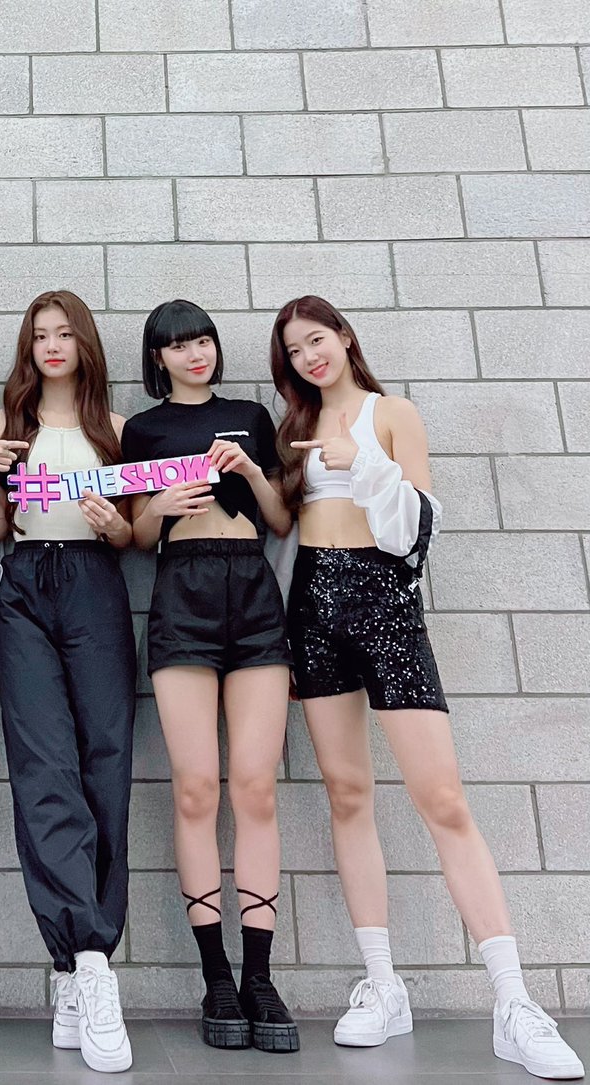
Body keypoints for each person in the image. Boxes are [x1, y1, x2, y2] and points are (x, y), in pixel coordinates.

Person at [273, 294, 584, 1081]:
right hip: (314, 607)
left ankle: (514, 1000)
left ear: (345, 337)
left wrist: (360, 460)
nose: (310, 357)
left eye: (318, 339)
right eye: (296, 350)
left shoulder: (392, 413)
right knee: (348, 793)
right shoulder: (294, 427)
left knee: (442, 798)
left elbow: (417, 526)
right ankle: (383, 985)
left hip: (384, 601)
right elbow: (287, 529)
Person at [122, 299, 298, 1054]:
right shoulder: (143, 430)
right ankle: (216, 975)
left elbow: (281, 521)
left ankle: (261, 976)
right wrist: (160, 505)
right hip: (181, 589)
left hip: (252, 589)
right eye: (179, 346)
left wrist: (251, 469)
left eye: (204, 341)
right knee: (196, 787)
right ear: (157, 358)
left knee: (255, 787)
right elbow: (136, 537)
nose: (196, 354)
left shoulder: (250, 416)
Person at [0, 290, 135, 1074]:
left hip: (97, 581)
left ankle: (82, 965)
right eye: (40, 335)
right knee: (43, 767)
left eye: (65, 332)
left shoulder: (116, 430)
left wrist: (116, 524)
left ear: (85, 342)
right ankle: (86, 960)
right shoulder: (5, 424)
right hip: (26, 585)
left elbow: (134, 532)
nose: (52, 345)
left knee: (107, 761)